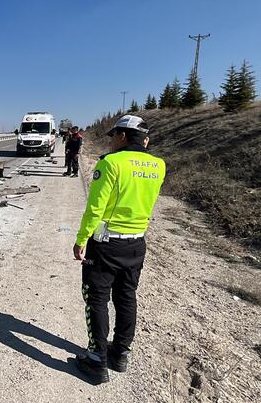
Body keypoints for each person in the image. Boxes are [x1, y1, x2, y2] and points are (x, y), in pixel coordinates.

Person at [72, 115, 165, 384]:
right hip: (136, 243)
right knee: (126, 296)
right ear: (144, 140)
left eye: (113, 136)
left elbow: (95, 207)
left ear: (123, 136)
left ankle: (96, 359)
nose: (111, 141)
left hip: (106, 244)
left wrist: (81, 239)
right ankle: (120, 353)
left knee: (96, 298)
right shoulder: (158, 166)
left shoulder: (111, 163)